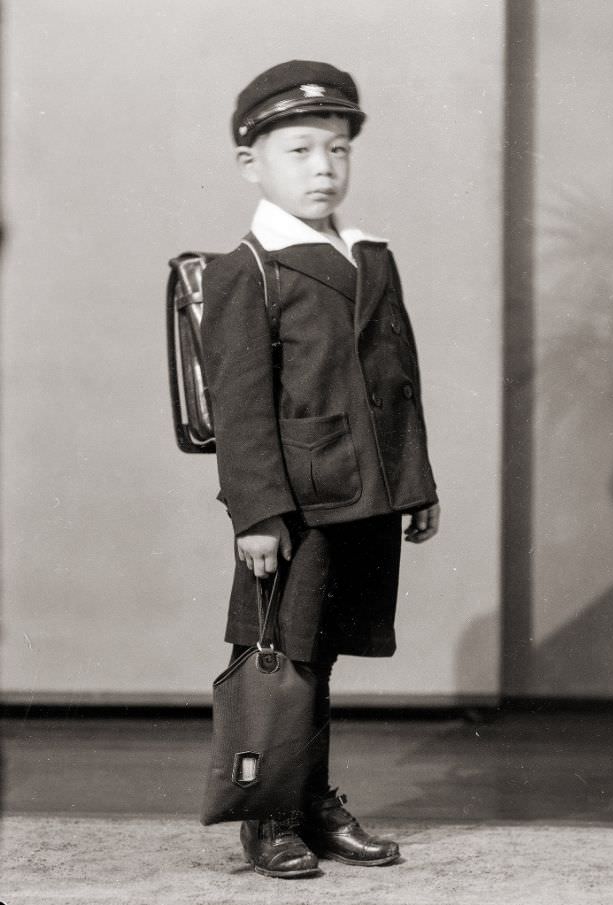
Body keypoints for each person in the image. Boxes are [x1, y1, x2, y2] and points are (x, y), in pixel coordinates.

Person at [201, 59, 440, 879]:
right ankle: (267, 813)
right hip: (297, 503)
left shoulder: (370, 253)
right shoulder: (250, 267)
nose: (323, 168)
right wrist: (256, 514)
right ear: (252, 164)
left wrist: (416, 483)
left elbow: (396, 380)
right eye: (300, 150)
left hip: (362, 493)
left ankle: (313, 802)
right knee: (284, 654)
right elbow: (240, 406)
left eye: (337, 150)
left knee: (324, 652)